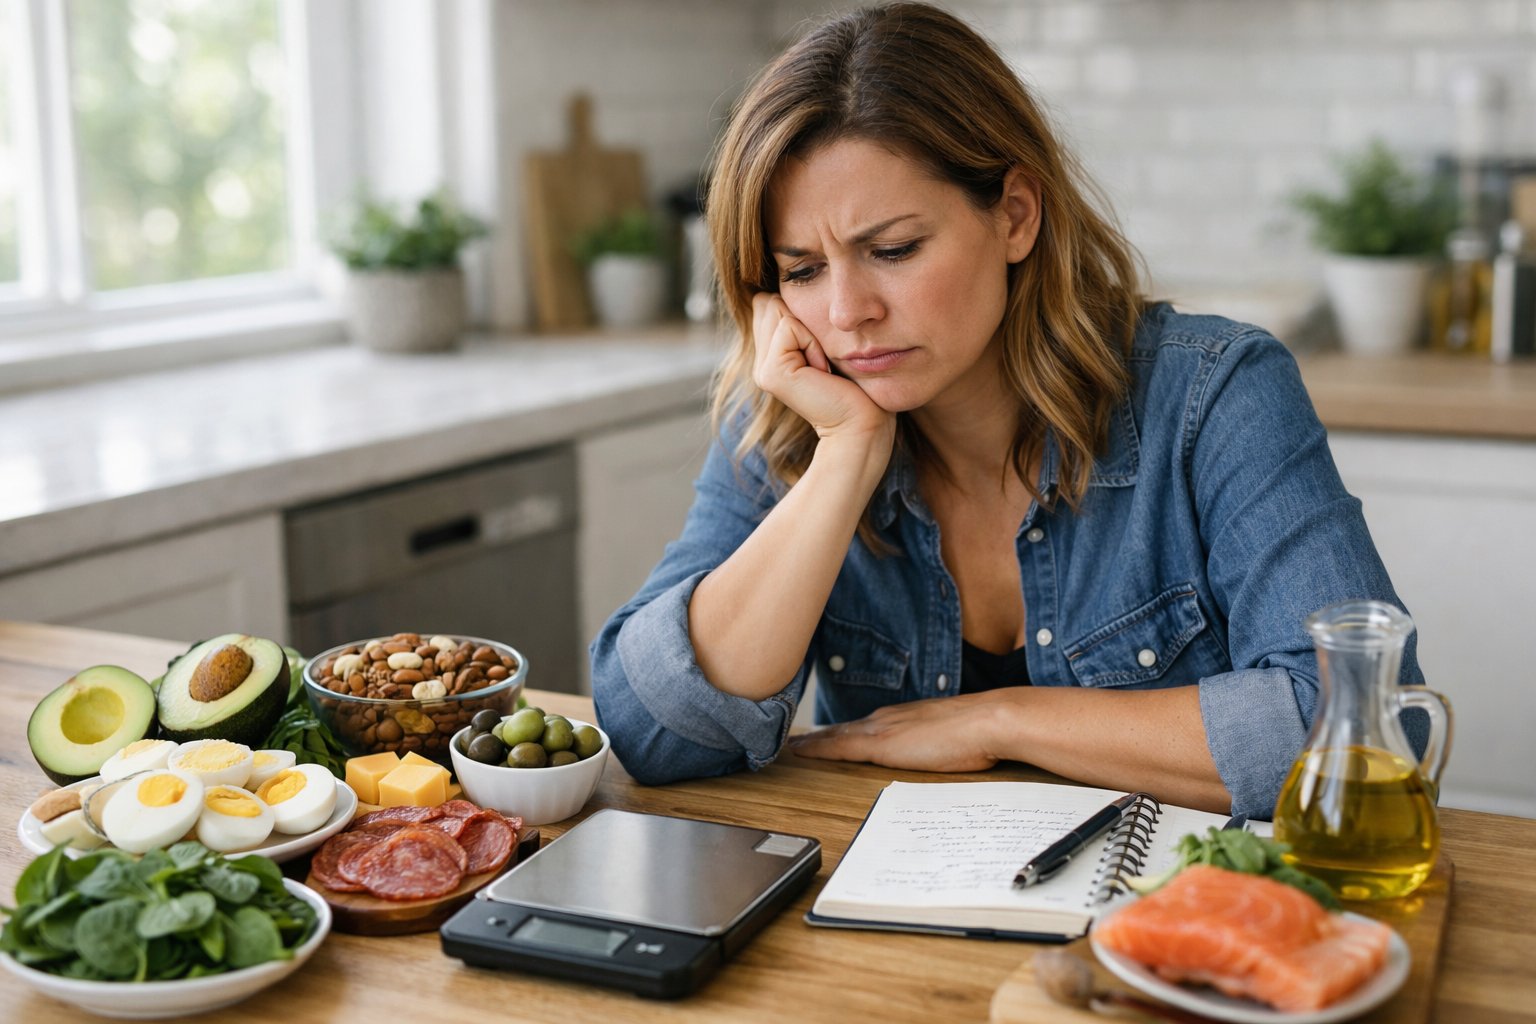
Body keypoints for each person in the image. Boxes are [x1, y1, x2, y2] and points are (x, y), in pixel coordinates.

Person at [588, 2, 1422, 820]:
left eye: (893, 250)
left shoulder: (1214, 394)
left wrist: (998, 720)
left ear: (1015, 215)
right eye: (802, 269)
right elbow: (652, 734)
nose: (846, 313)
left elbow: (1365, 731)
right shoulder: (793, 418)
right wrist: (845, 455)